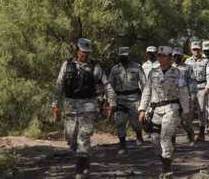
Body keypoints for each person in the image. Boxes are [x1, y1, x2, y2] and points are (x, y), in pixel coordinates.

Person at [52, 38, 115, 179]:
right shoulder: (66, 65)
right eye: (82, 52)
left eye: (87, 53)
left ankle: (80, 171)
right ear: (77, 51)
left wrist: (111, 102)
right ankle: (84, 158)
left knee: (83, 137)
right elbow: (59, 86)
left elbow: (107, 85)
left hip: (89, 106)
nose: (85, 55)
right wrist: (55, 105)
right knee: (70, 138)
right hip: (70, 105)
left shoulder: (95, 67)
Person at [139, 46, 190, 178]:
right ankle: (166, 161)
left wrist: (185, 111)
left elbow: (183, 93)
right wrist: (142, 110)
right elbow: (146, 92)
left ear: (170, 58)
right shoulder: (152, 72)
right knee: (155, 140)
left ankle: (167, 170)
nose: (160, 58)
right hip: (155, 110)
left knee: (165, 137)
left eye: (163, 56)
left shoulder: (178, 73)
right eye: (159, 56)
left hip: (171, 108)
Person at [109, 47, 146, 155]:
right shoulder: (115, 69)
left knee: (136, 122)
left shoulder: (137, 67)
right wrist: (110, 100)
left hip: (134, 98)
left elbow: (144, 84)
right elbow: (110, 85)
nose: (123, 58)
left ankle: (139, 135)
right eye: (121, 56)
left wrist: (145, 100)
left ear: (128, 56)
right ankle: (122, 145)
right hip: (120, 99)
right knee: (120, 122)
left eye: (125, 56)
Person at [184, 41, 208, 141]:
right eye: (194, 49)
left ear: (200, 50)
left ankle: (202, 132)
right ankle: (190, 132)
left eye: (198, 49)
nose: (196, 51)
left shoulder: (206, 61)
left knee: (201, 110)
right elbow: (184, 75)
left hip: (202, 86)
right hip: (190, 88)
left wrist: (208, 85)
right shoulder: (187, 62)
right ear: (191, 50)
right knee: (188, 111)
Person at [172, 46, 196, 145]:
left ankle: (190, 135)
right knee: (171, 118)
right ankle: (171, 142)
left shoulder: (187, 67)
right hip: (172, 95)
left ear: (182, 56)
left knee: (185, 119)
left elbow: (191, 81)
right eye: (175, 56)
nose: (177, 57)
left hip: (184, 93)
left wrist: (192, 94)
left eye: (179, 56)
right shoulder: (169, 67)